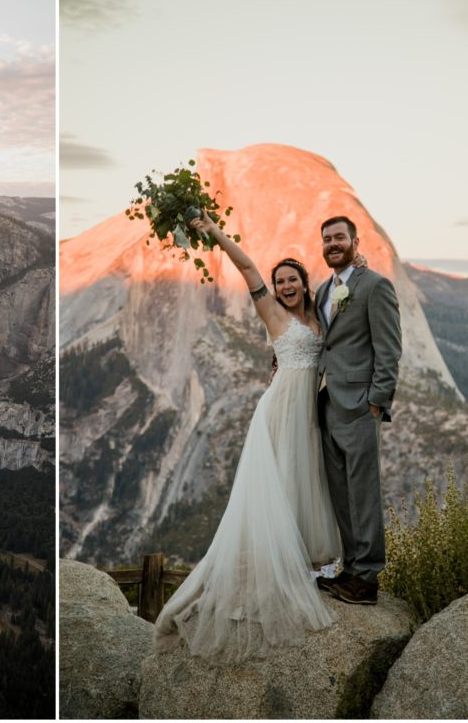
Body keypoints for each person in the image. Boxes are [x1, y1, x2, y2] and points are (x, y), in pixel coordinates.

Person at [153, 212, 352, 663]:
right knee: (278, 490)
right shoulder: (273, 312)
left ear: (304, 283)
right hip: (280, 411)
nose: (283, 286)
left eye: (290, 280)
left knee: (302, 488)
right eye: (279, 281)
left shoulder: (321, 314)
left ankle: (294, 567)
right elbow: (247, 268)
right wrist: (212, 230)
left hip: (308, 413)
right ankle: (260, 580)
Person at [314, 216, 401, 606]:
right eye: (327, 239)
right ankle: (350, 568)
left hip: (360, 407)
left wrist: (376, 402)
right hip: (328, 404)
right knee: (340, 492)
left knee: (363, 493)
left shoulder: (375, 286)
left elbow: (389, 349)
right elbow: (325, 343)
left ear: (354, 241)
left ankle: (368, 578)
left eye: (339, 238)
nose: (333, 244)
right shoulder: (322, 290)